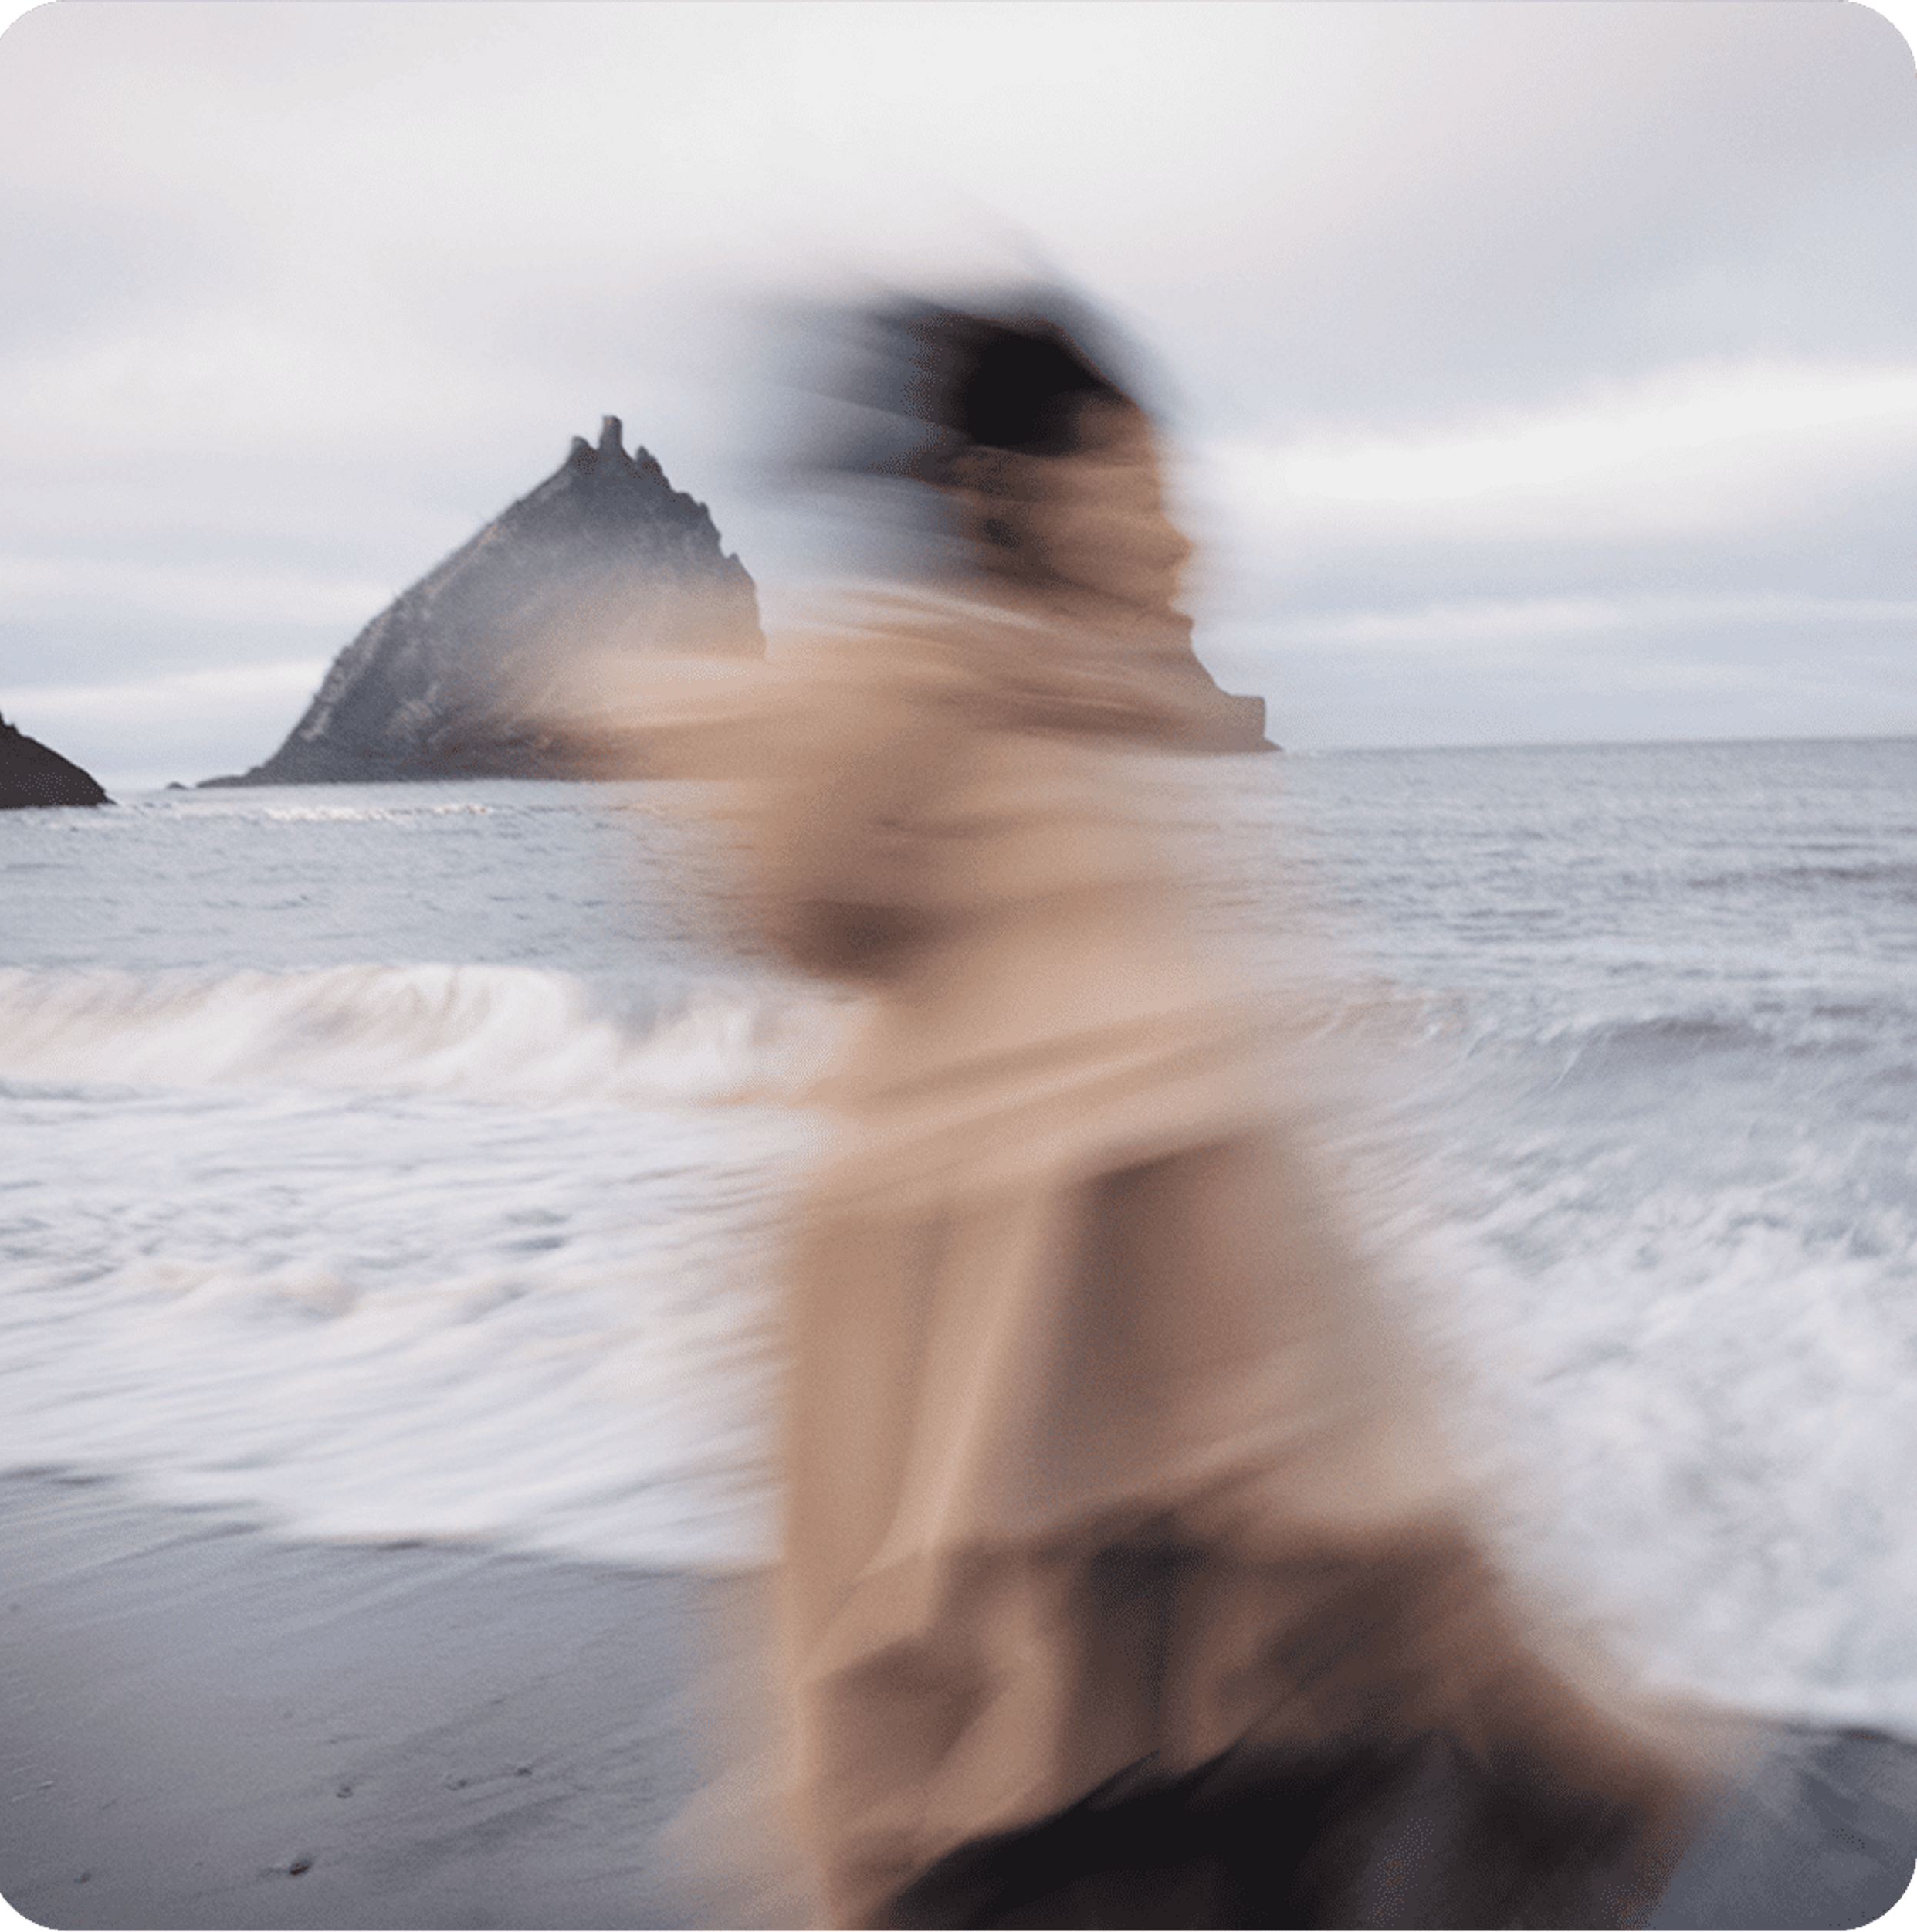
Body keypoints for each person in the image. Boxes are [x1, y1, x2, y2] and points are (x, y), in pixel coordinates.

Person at [662, 296, 1732, 1930]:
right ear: (1016, 497)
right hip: (1174, 1715)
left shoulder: (932, 852)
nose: (1182, 529)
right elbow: (1278, 1349)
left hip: (974, 1737)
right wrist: (1547, 1714)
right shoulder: (1069, 835)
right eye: (1141, 480)